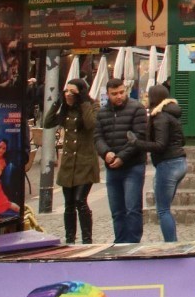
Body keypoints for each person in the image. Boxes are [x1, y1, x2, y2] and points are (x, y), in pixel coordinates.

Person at [127, 84, 187, 242]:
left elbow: (160, 145)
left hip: (168, 164)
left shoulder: (160, 117)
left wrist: (136, 143)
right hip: (180, 162)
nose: (145, 98)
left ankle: (171, 244)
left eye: (148, 95)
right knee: (165, 208)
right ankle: (171, 241)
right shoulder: (172, 114)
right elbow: (183, 140)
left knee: (163, 210)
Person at [42, 77, 98, 244]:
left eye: (72, 92)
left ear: (80, 93)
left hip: (85, 162)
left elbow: (90, 124)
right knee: (69, 204)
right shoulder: (66, 109)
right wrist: (58, 103)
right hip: (68, 164)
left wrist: (83, 102)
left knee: (80, 200)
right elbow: (47, 122)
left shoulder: (92, 106)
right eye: (66, 91)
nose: (68, 94)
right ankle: (70, 239)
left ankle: (87, 239)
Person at [93, 78, 148, 243]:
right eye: (114, 94)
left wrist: (121, 157)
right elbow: (97, 137)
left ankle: (133, 243)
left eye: (121, 92)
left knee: (132, 208)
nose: (119, 96)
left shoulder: (137, 108)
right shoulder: (102, 113)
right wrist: (106, 153)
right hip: (112, 167)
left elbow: (139, 138)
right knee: (117, 210)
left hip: (133, 165)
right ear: (108, 94)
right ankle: (120, 242)